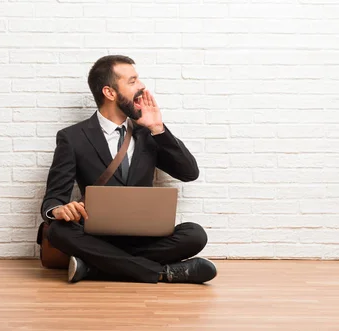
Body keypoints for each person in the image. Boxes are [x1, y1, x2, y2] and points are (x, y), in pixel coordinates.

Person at [40, 55, 217, 284]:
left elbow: (189, 172)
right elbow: (53, 198)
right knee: (58, 231)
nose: (142, 86)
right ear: (110, 93)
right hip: (96, 237)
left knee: (195, 234)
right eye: (132, 81)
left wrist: (158, 128)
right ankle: (163, 273)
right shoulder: (72, 138)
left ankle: (94, 268)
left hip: (143, 237)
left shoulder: (148, 132)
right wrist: (58, 211)